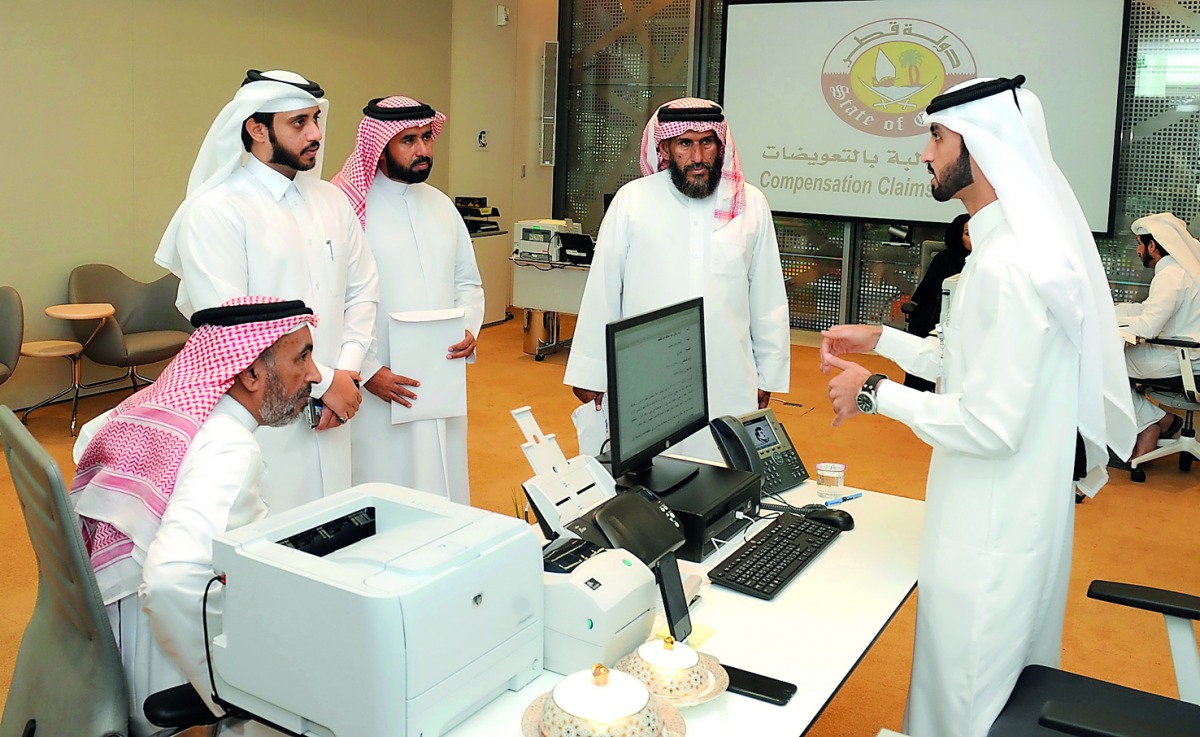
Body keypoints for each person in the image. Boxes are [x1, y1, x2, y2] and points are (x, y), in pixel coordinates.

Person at [819, 76, 1136, 737]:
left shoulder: (1008, 266)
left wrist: (875, 392)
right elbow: (969, 364)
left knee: (968, 701)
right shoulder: (1005, 251)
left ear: (982, 146)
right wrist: (882, 341)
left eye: (937, 136)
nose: (925, 153)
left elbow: (988, 423)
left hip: (990, 531)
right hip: (1003, 518)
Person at [70, 297, 320, 737]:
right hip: (166, 662)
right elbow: (173, 578)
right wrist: (224, 688)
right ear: (249, 372)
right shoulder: (229, 449)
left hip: (106, 642)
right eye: (302, 357)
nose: (316, 374)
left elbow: (87, 439)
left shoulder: (163, 406)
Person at [153, 69, 379, 511]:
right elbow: (233, 328)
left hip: (336, 409)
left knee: (335, 528)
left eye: (316, 118)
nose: (315, 133)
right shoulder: (215, 212)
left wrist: (346, 373)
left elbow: (363, 290)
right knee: (271, 537)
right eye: (299, 122)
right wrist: (326, 381)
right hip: (265, 416)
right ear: (257, 129)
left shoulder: (332, 202)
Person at [564, 98, 790, 460]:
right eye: (685, 143)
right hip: (647, 369)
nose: (698, 156)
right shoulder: (632, 200)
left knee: (724, 469)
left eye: (707, 142)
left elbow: (768, 296)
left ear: (721, 145)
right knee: (649, 474)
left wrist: (769, 374)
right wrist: (591, 371)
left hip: (728, 370)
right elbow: (604, 289)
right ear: (665, 147)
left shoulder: (750, 204)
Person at [332, 96, 484, 503]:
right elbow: (331, 302)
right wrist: (367, 371)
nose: (423, 150)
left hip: (441, 378)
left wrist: (469, 328)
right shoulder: (342, 210)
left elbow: (467, 282)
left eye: (427, 138)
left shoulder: (441, 206)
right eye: (408, 141)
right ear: (378, 147)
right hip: (379, 382)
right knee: (385, 489)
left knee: (445, 476)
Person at [1116, 212, 1200, 461]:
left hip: (1179, 360)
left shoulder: (1171, 275)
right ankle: (1153, 420)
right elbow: (1152, 310)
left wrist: (1110, 323)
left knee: (1098, 366)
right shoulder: (1187, 270)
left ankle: (1153, 422)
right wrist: (1119, 313)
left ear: (1153, 245)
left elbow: (1148, 327)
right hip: (1188, 356)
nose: (1138, 251)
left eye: (1140, 244)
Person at [903, 213, 971, 391]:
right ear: (957, 235)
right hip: (934, 320)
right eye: (968, 234)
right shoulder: (943, 259)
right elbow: (924, 296)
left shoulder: (987, 262)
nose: (974, 239)